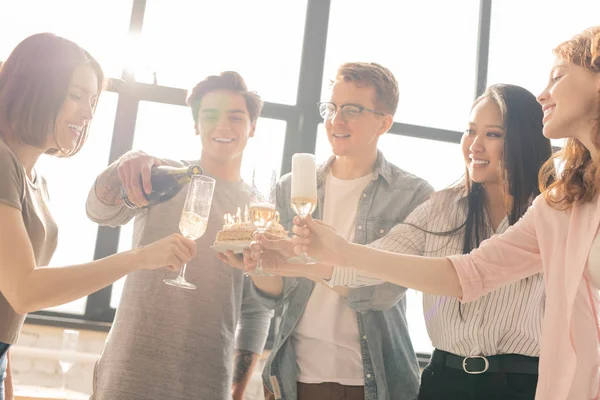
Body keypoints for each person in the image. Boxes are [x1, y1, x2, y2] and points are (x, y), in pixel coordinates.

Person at [283, 26, 600, 399]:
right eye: (470, 131)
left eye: (558, 77)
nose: (544, 94)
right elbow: (469, 273)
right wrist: (316, 255)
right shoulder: (561, 207)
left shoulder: (548, 205)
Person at [253, 83, 552, 399]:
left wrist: (343, 252)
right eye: (470, 131)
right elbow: (370, 267)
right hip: (444, 382)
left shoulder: (551, 215)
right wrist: (292, 261)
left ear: (524, 139)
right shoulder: (440, 208)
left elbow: (466, 275)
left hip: (523, 384)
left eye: (493, 134)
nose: (474, 145)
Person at [220, 62, 433, 400]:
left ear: (384, 122)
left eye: (351, 110)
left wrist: (303, 264)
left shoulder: (412, 194)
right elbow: (275, 295)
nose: (336, 121)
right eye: (331, 108)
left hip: (376, 382)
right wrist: (258, 262)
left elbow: (382, 291)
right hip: (295, 377)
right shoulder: (292, 188)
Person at [0, 33, 196, 400]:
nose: (88, 113)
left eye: (92, 101)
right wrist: (139, 258)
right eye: (76, 96)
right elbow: (23, 290)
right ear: (35, 89)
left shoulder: (34, 179)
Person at [86, 71, 273, 400]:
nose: (223, 126)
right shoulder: (162, 174)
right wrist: (122, 166)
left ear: (253, 127)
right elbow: (99, 212)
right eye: (210, 115)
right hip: (129, 371)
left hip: (206, 380)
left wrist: (236, 389)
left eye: (236, 117)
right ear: (196, 125)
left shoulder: (256, 211)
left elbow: (256, 308)